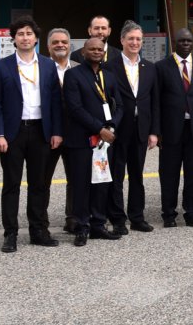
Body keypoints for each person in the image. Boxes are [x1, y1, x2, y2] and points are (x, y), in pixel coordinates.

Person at [0, 17, 63, 252]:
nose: (25, 37)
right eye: (20, 34)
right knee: (11, 184)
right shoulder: (2, 66)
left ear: (36, 38)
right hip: (13, 133)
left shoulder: (48, 65)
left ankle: (38, 230)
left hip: (41, 130)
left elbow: (55, 102)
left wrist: (56, 131)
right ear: (14, 39)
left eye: (29, 33)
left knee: (39, 184)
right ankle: (10, 233)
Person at [60, 37, 124, 246]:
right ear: (83, 52)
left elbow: (120, 106)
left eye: (100, 49)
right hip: (82, 140)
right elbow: (74, 108)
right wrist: (99, 129)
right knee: (81, 184)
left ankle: (98, 224)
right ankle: (82, 226)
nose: (97, 52)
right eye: (92, 49)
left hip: (105, 142)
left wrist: (112, 126)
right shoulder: (73, 75)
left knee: (102, 182)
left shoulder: (110, 76)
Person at [154, 28, 193, 228]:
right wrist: (157, 130)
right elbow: (156, 101)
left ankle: (192, 212)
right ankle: (168, 213)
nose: (185, 44)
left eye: (189, 41)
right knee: (169, 173)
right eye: (181, 41)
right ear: (174, 43)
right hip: (170, 130)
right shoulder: (161, 67)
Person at [108, 21, 159, 234]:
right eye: (131, 38)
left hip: (141, 129)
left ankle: (137, 217)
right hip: (118, 130)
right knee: (116, 175)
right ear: (122, 40)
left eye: (138, 39)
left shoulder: (149, 67)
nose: (135, 42)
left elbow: (154, 101)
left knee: (137, 176)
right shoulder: (109, 66)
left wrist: (154, 131)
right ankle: (118, 220)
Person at [42, 28, 79, 233]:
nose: (60, 45)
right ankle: (41, 223)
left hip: (74, 134)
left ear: (69, 45)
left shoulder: (78, 68)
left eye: (64, 42)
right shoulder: (41, 69)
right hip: (47, 134)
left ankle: (72, 218)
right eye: (55, 42)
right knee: (42, 180)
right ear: (48, 46)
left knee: (75, 179)